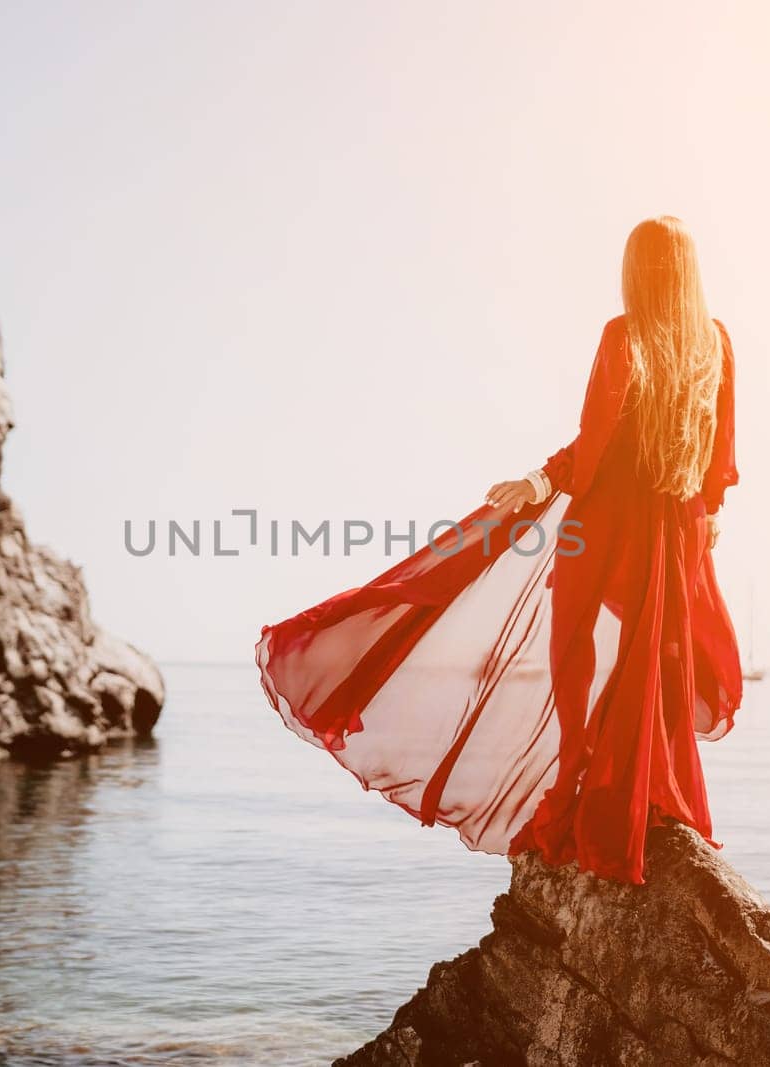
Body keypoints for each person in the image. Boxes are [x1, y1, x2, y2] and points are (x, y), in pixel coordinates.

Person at [256, 215, 741, 883]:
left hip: (607, 521)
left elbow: (594, 445)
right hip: (673, 529)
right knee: (652, 661)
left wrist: (539, 480)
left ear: (638, 269)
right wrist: (707, 518)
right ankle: (649, 795)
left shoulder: (624, 336)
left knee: (571, 646)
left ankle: (584, 787)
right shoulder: (715, 344)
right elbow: (720, 460)